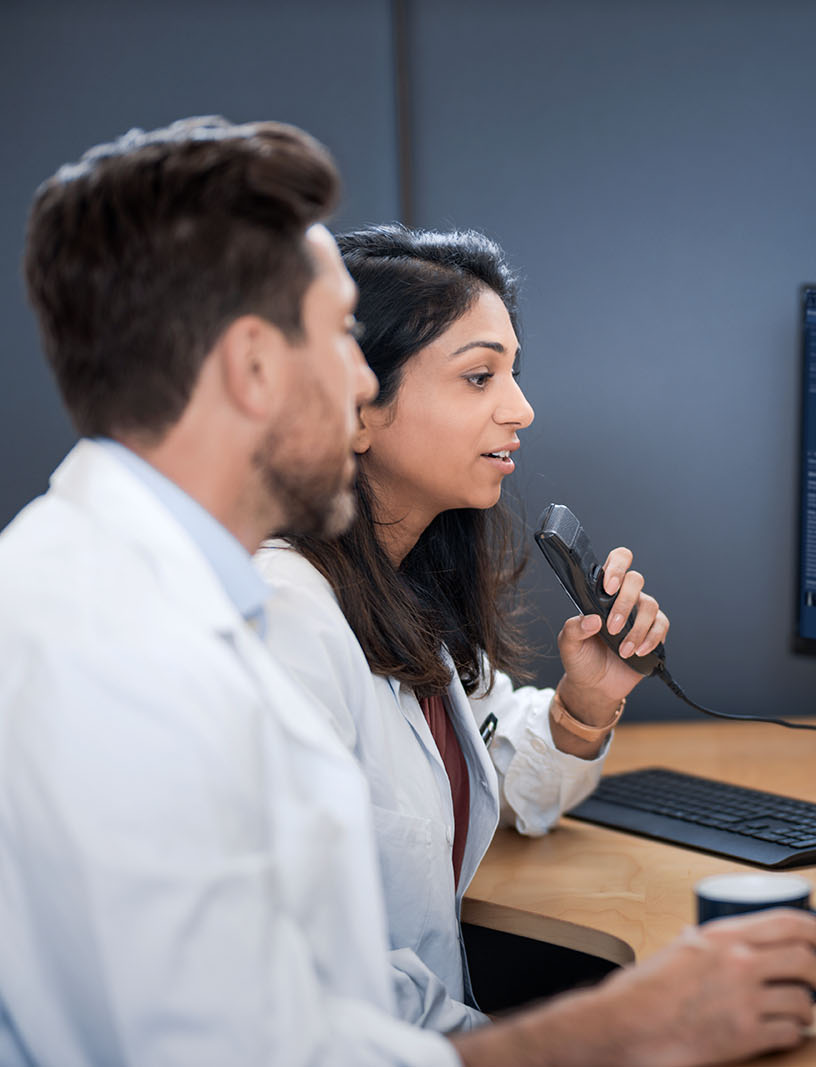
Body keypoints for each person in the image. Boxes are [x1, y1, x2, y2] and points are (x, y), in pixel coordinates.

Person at [0, 116, 816, 1067]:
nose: (360, 378)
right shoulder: (135, 665)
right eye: (335, 338)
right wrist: (633, 1024)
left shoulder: (141, 589)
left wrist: (578, 713)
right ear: (254, 367)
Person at [254, 223, 665, 1030]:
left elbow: (486, 764)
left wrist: (585, 707)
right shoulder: (285, 619)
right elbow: (315, 985)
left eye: (513, 373)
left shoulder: (395, 582)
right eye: (480, 377)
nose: (522, 408)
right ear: (355, 408)